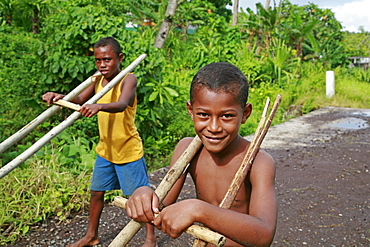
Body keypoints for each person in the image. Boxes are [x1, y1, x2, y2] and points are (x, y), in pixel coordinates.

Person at [126, 62, 277, 246]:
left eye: (227, 116)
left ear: (245, 114)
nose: (214, 127)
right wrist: (143, 195)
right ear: (191, 111)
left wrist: (199, 210)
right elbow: (160, 206)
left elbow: (263, 235)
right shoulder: (187, 149)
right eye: (204, 115)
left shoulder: (258, 161)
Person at [42, 37, 156, 247]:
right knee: (96, 193)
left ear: (119, 58)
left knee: (139, 196)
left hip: (128, 149)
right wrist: (59, 97)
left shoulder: (128, 79)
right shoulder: (96, 80)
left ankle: (150, 239)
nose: (102, 65)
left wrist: (99, 107)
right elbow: (79, 100)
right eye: (98, 60)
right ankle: (91, 235)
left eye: (107, 59)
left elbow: (122, 103)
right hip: (106, 149)